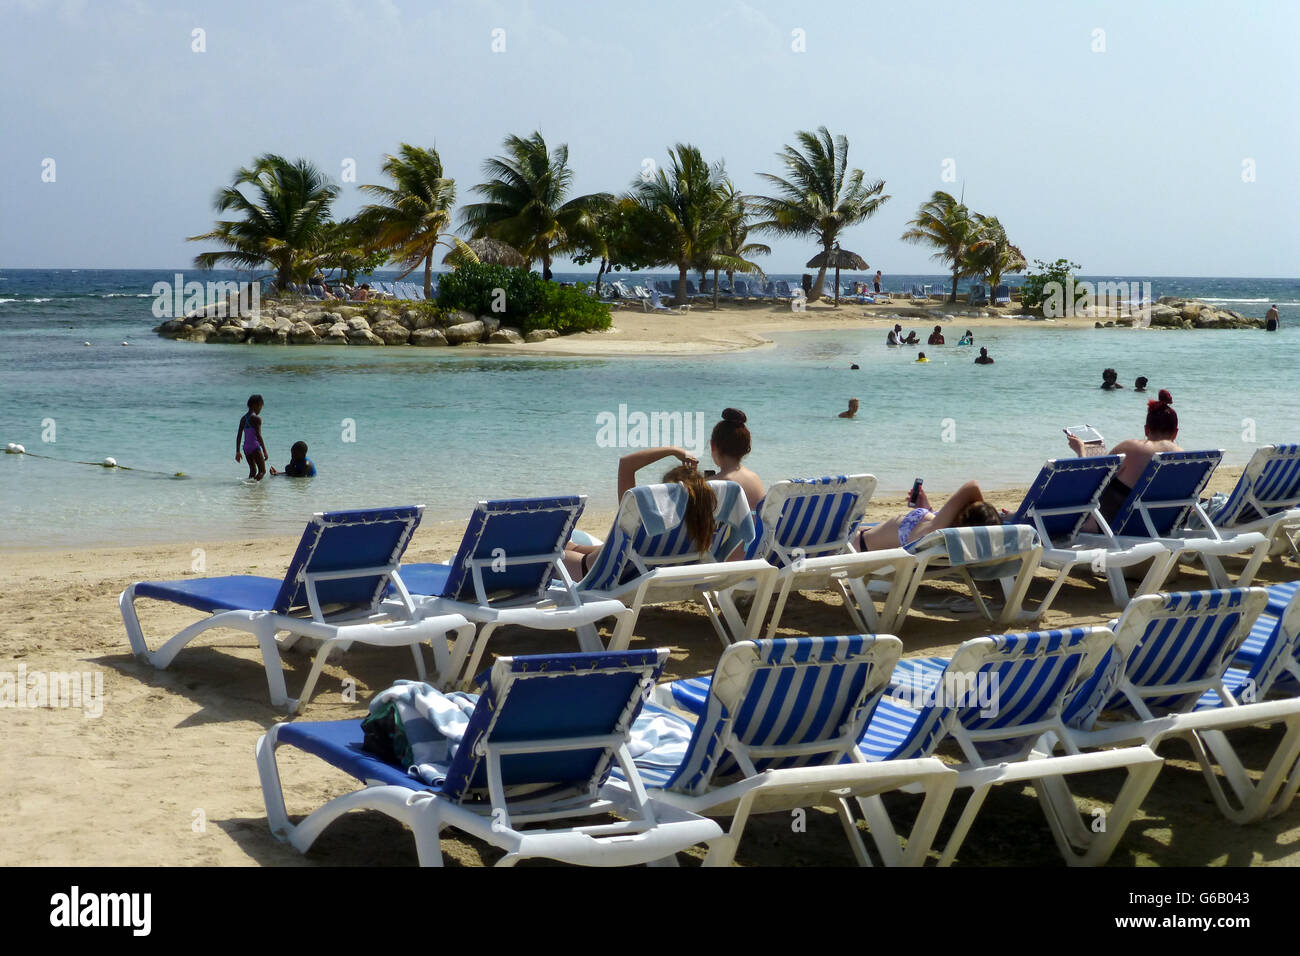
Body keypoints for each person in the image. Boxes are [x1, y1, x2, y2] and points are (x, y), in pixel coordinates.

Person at [1070, 388, 1181, 527]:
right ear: (1175, 433)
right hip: (1159, 526)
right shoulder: (1185, 459)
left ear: (1146, 429)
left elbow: (1089, 484)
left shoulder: (1130, 448)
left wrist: (1081, 450)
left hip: (1110, 528)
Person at [853, 480, 1001, 551]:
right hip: (863, 535)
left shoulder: (935, 528)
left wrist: (982, 506)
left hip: (855, 544)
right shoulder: (940, 531)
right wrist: (927, 510)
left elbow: (972, 486)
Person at [235, 394, 268, 480]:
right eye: (260, 406)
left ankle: (250, 490)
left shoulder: (243, 418)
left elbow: (239, 435)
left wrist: (238, 451)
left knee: (253, 471)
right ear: (255, 405)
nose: (260, 409)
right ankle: (253, 486)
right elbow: (259, 435)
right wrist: (264, 451)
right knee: (262, 471)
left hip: (246, 448)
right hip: (254, 446)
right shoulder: (256, 418)